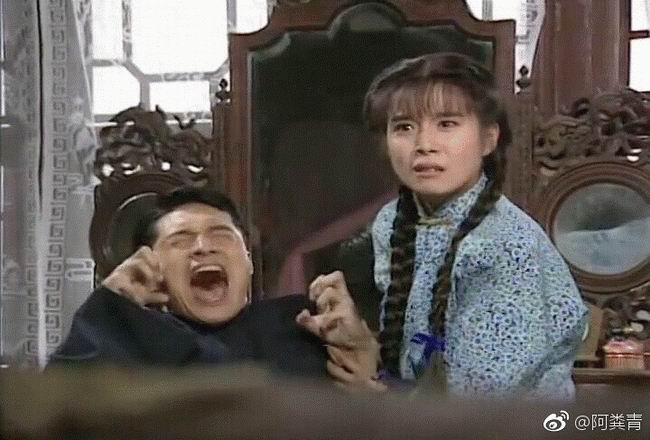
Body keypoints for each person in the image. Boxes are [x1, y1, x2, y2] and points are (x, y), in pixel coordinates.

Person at [306, 53, 589, 398]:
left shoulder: (506, 247)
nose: (424, 146)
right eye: (404, 127)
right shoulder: (392, 221)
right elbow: (414, 359)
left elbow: (477, 404)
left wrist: (380, 394)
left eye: (446, 124)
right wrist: (360, 343)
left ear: (489, 138)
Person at [49, 187, 378, 380]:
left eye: (221, 235)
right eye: (180, 240)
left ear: (248, 261)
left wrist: (365, 357)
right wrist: (111, 306)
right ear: (151, 267)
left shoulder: (303, 322)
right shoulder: (130, 340)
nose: (203, 247)